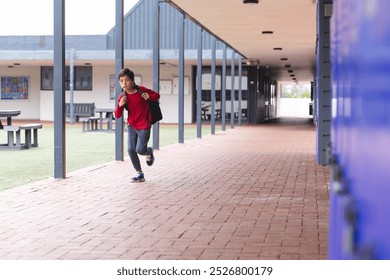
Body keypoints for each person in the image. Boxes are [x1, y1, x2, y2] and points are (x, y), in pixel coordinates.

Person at [114, 68, 160, 183]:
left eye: (127, 80)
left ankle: (148, 152)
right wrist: (120, 105)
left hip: (144, 125)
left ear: (133, 80)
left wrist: (149, 97)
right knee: (130, 149)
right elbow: (117, 115)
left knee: (140, 149)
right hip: (131, 126)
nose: (124, 83)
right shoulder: (122, 97)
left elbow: (157, 95)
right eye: (121, 81)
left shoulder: (141, 90)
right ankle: (139, 173)